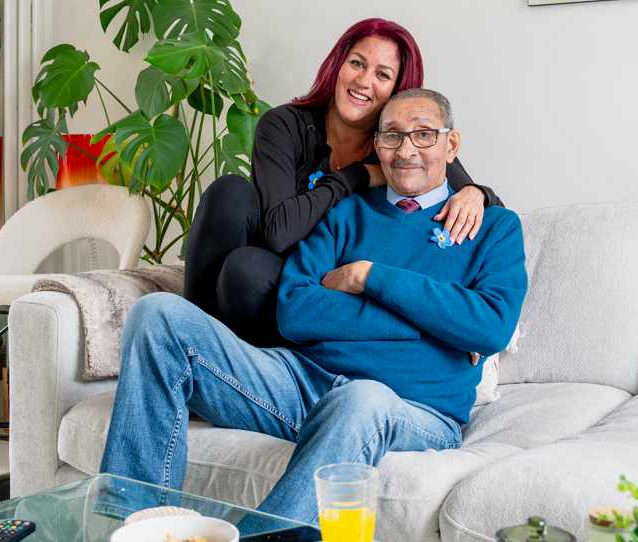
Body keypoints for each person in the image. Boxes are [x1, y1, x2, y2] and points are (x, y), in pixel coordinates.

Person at [98, 88, 527, 528]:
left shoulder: (495, 227)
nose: (406, 150)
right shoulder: (346, 216)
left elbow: (490, 327)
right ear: (376, 146)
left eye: (423, 135)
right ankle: (128, 523)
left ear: (450, 145)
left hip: (412, 409)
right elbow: (295, 310)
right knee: (158, 316)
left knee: (362, 397)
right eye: (392, 137)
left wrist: (368, 277)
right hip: (303, 384)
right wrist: (428, 325)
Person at [183, 18, 503, 347]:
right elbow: (278, 234)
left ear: (398, 90)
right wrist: (357, 175)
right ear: (338, 66)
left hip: (325, 290)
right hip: (273, 269)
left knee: (244, 273)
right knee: (229, 194)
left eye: (382, 74)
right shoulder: (284, 125)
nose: (364, 81)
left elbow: (489, 207)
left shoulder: (401, 146)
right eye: (357, 63)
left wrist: (475, 193)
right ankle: (184, 338)